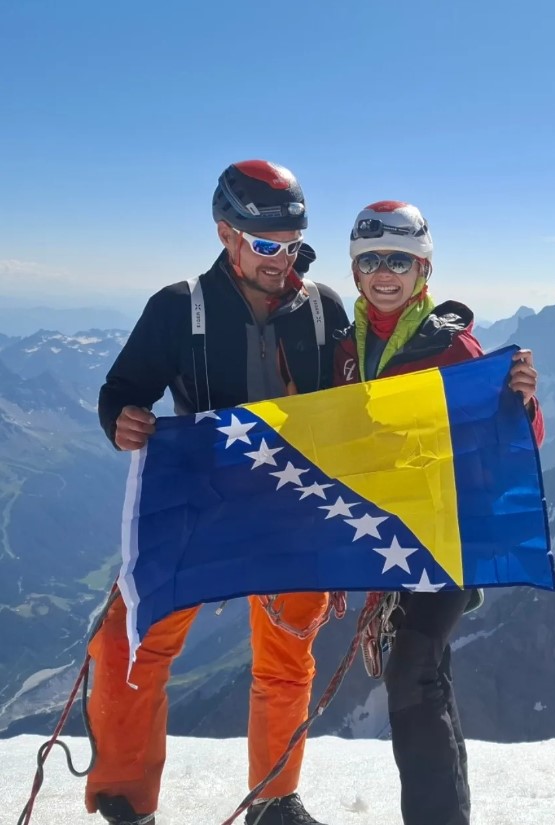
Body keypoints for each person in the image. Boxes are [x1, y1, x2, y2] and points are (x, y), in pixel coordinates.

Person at [89, 160, 348, 825]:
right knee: (127, 644)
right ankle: (126, 796)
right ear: (226, 232)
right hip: (201, 501)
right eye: (266, 244)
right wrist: (121, 420)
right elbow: (123, 390)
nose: (281, 258)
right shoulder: (178, 309)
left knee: (287, 655)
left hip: (290, 508)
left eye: (291, 242)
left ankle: (274, 799)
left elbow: (359, 403)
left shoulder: (323, 309)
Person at [333, 200, 545, 825]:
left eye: (400, 259)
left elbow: (514, 439)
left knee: (413, 676)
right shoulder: (347, 349)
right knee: (428, 678)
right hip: (387, 536)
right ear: (355, 270)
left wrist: (523, 403)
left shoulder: (453, 348)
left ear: (423, 269)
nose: (384, 272)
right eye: (371, 260)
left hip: (446, 536)